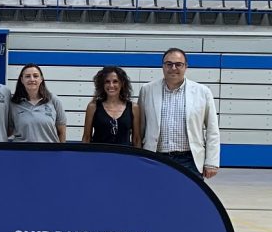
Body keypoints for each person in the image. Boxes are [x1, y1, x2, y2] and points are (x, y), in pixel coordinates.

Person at [138, 48, 220, 179]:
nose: (173, 68)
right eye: (169, 64)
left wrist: (212, 162)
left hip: (190, 160)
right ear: (163, 66)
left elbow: (212, 130)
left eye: (178, 64)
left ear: (186, 66)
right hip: (156, 157)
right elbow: (140, 128)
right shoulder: (147, 90)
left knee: (188, 199)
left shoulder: (202, 92)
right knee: (155, 197)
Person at [82, 66, 142, 146]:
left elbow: (136, 139)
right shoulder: (93, 107)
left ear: (122, 83)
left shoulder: (133, 108)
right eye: (107, 82)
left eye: (115, 81)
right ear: (102, 84)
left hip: (124, 157)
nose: (111, 85)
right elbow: (86, 138)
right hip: (98, 156)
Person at [9, 64, 67, 143]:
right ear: (22, 80)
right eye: (27, 76)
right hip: (21, 152)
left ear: (41, 79)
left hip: (49, 152)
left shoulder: (53, 100)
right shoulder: (13, 103)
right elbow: (8, 131)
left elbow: (62, 132)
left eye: (35, 76)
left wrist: (61, 152)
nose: (32, 79)